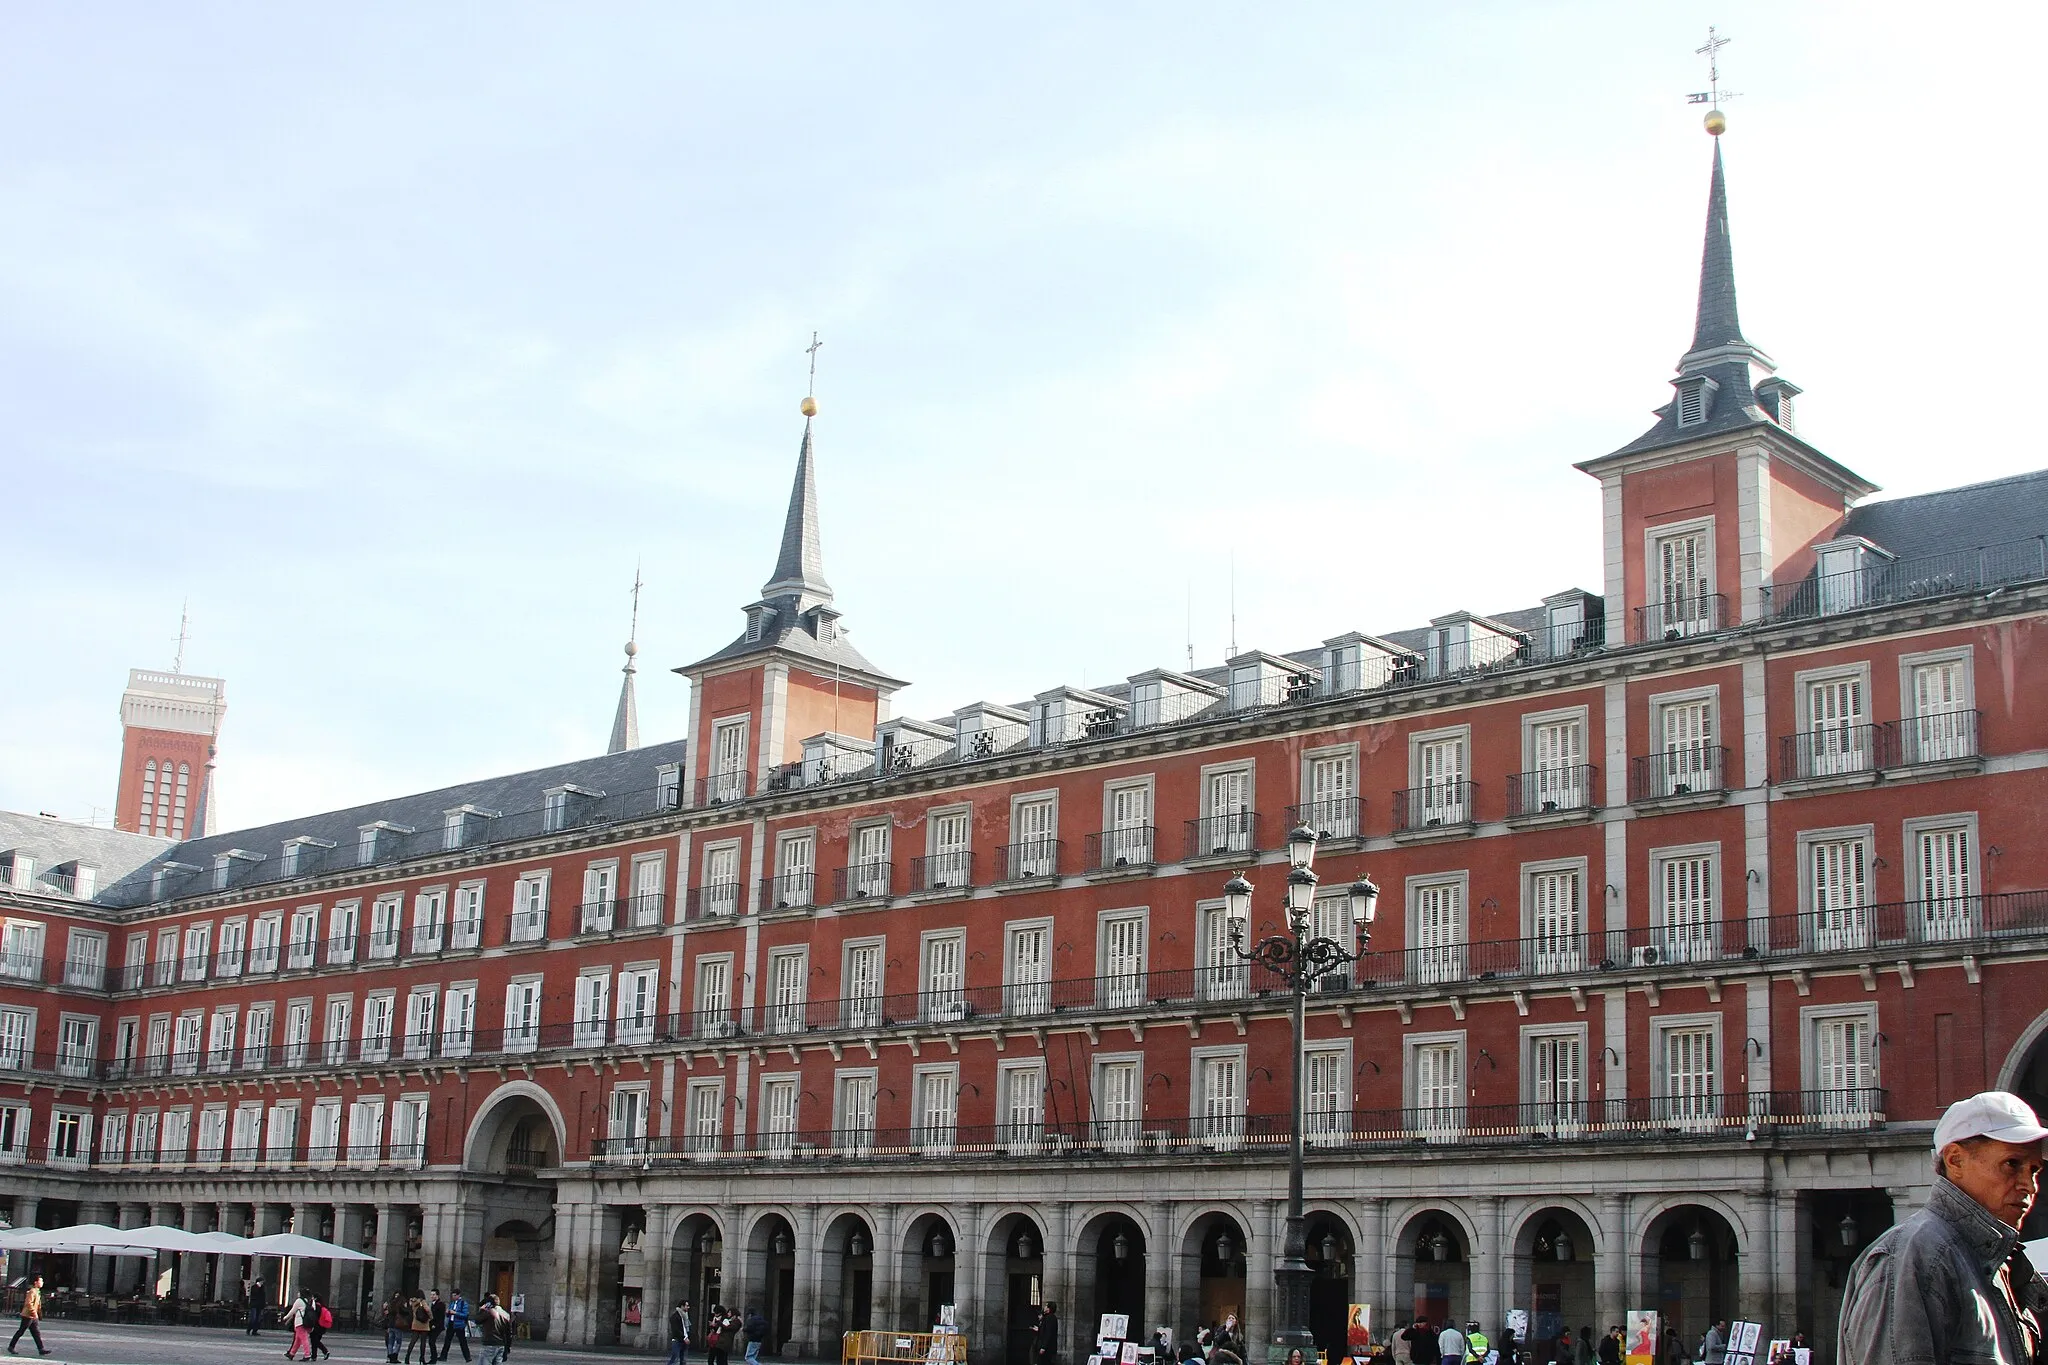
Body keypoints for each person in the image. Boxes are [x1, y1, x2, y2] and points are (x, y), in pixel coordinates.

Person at [1840, 1089, 2048, 1364]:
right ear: (1955, 1160)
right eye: (2012, 1163)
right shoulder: (1914, 1257)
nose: (2029, 1185)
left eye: (2034, 1169)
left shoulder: (1995, 1263)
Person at [8, 1273, 49, 1357]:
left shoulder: (37, 1291)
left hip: (33, 1316)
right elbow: (29, 1303)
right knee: (21, 1331)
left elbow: (38, 1304)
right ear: (35, 1282)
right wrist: (35, 1313)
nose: (42, 1282)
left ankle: (41, 1349)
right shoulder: (32, 1291)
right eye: (41, 1281)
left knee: (36, 1333)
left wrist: (39, 1314)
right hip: (28, 1315)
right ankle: (11, 1346)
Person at [476, 1293, 513, 1365]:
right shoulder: (506, 1314)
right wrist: (507, 1347)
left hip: (490, 1343)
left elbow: (477, 1320)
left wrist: (481, 1310)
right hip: (501, 1344)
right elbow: (509, 1332)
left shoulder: (489, 1312)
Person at [443, 1290, 472, 1363]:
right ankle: (443, 1356)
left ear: (458, 1295)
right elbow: (449, 1313)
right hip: (451, 1323)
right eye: (452, 1295)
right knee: (447, 1341)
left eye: (455, 1295)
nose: (453, 1297)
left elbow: (465, 1314)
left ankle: (467, 1357)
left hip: (459, 1324)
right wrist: (448, 1312)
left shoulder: (463, 1303)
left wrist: (455, 1313)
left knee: (462, 1342)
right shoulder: (452, 1303)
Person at [407, 1293, 437, 1363]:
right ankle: (422, 1358)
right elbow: (427, 1310)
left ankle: (407, 1357)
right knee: (423, 1343)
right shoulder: (422, 1302)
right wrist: (431, 1317)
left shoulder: (413, 1302)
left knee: (413, 1341)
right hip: (424, 1324)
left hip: (415, 1324)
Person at [286, 1289, 312, 1361]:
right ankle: (292, 1353)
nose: (297, 1293)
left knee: (304, 1339)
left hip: (300, 1322)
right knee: (298, 1340)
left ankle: (307, 1354)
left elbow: (292, 1311)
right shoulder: (308, 1301)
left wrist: (285, 1317)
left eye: (298, 1292)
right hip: (306, 1322)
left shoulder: (299, 1301)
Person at [385, 1291, 409, 1363]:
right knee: (398, 1341)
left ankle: (390, 1354)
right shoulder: (400, 1304)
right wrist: (407, 1307)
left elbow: (388, 1314)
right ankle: (394, 1356)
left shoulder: (391, 1303)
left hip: (391, 1325)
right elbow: (406, 1312)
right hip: (398, 1325)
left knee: (390, 1342)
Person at [668, 1299, 694, 1365]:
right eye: (687, 1306)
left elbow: (686, 1328)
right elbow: (676, 1330)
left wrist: (687, 1336)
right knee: (674, 1359)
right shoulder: (675, 1317)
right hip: (677, 1340)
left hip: (684, 1340)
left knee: (683, 1360)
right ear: (682, 1306)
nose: (688, 1307)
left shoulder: (685, 1316)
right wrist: (684, 1337)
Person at [310, 1294, 334, 1360]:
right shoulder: (323, 1306)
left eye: (313, 1297)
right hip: (322, 1326)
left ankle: (325, 1351)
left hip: (317, 1326)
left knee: (315, 1341)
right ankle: (314, 1356)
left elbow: (315, 1316)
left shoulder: (316, 1306)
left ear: (315, 1298)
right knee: (315, 1341)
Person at [429, 1291, 447, 1362]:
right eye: (431, 1295)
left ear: (437, 1295)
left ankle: (434, 1358)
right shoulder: (433, 1304)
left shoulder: (441, 1304)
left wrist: (435, 1325)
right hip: (432, 1326)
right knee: (431, 1342)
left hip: (437, 1326)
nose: (432, 1296)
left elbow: (441, 1317)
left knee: (432, 1341)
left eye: (434, 1295)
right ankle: (433, 1357)